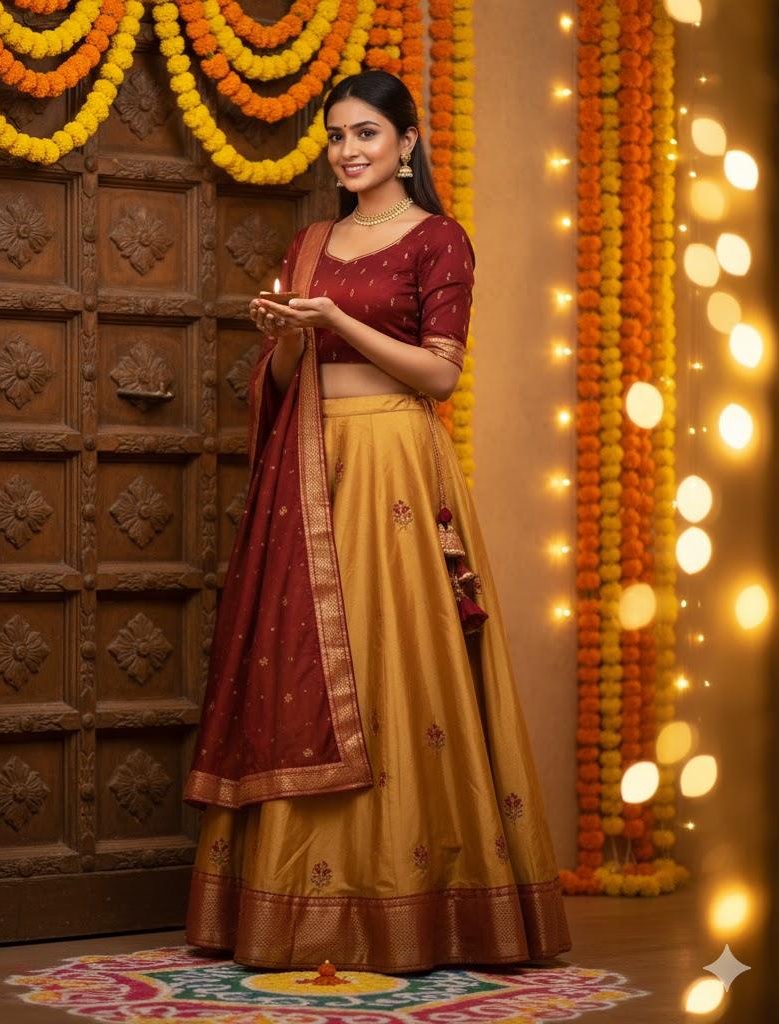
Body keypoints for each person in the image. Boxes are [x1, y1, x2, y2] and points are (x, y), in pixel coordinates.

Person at [181, 69, 572, 973]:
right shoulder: (313, 240)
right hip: (311, 469)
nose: (349, 152)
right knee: (307, 664)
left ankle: (423, 902)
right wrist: (285, 336)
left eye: (365, 134)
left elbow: (439, 376)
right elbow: (284, 386)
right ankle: (296, 914)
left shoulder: (440, 241)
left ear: (407, 141)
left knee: (399, 661)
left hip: (395, 465)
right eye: (338, 138)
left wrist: (335, 323)